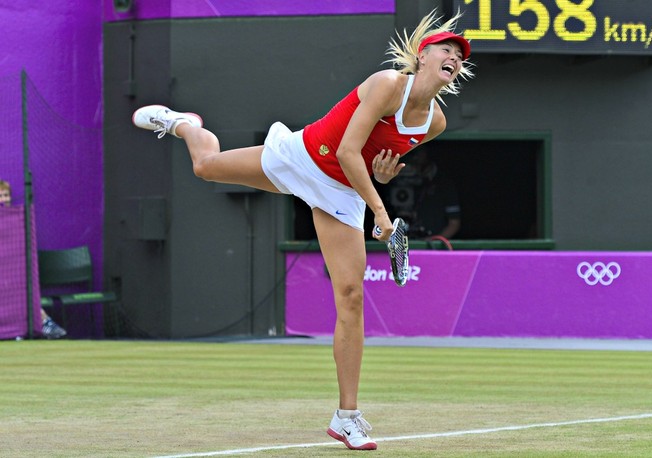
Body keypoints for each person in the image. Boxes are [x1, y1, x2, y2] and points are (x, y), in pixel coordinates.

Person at [132, 10, 472, 450]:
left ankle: (346, 417)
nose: (453, 58)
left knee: (351, 296)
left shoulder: (436, 123)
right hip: (304, 156)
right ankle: (184, 125)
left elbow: (370, 163)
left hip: (342, 194)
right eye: (445, 49)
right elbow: (349, 149)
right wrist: (381, 212)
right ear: (422, 56)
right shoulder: (386, 84)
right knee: (206, 167)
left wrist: (383, 180)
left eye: (459, 56)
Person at [0, 179, 67, 339]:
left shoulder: (16, 221)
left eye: (6, 195)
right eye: (0, 196)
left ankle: (44, 323)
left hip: (14, 277)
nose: (4, 199)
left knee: (26, 296)